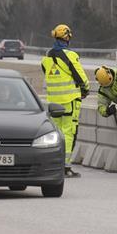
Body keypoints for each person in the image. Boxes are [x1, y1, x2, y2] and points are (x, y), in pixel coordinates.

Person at [41, 24, 90, 178]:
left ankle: (54, 165)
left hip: (53, 103)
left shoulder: (46, 58)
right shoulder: (70, 55)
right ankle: (65, 167)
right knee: (69, 133)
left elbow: (47, 74)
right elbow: (80, 76)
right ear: (67, 38)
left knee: (56, 133)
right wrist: (85, 89)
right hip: (69, 101)